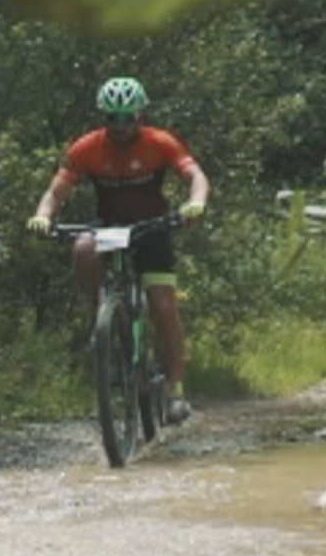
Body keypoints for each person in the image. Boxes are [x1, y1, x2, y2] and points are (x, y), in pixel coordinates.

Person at [27, 76, 209, 425]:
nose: (121, 126)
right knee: (82, 247)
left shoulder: (160, 142)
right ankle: (102, 317)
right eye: (114, 118)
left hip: (151, 227)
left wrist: (196, 203)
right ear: (104, 118)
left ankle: (175, 392)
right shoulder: (87, 148)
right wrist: (42, 215)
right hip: (109, 225)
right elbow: (56, 191)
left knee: (163, 305)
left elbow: (195, 176)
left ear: (140, 117)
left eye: (129, 118)